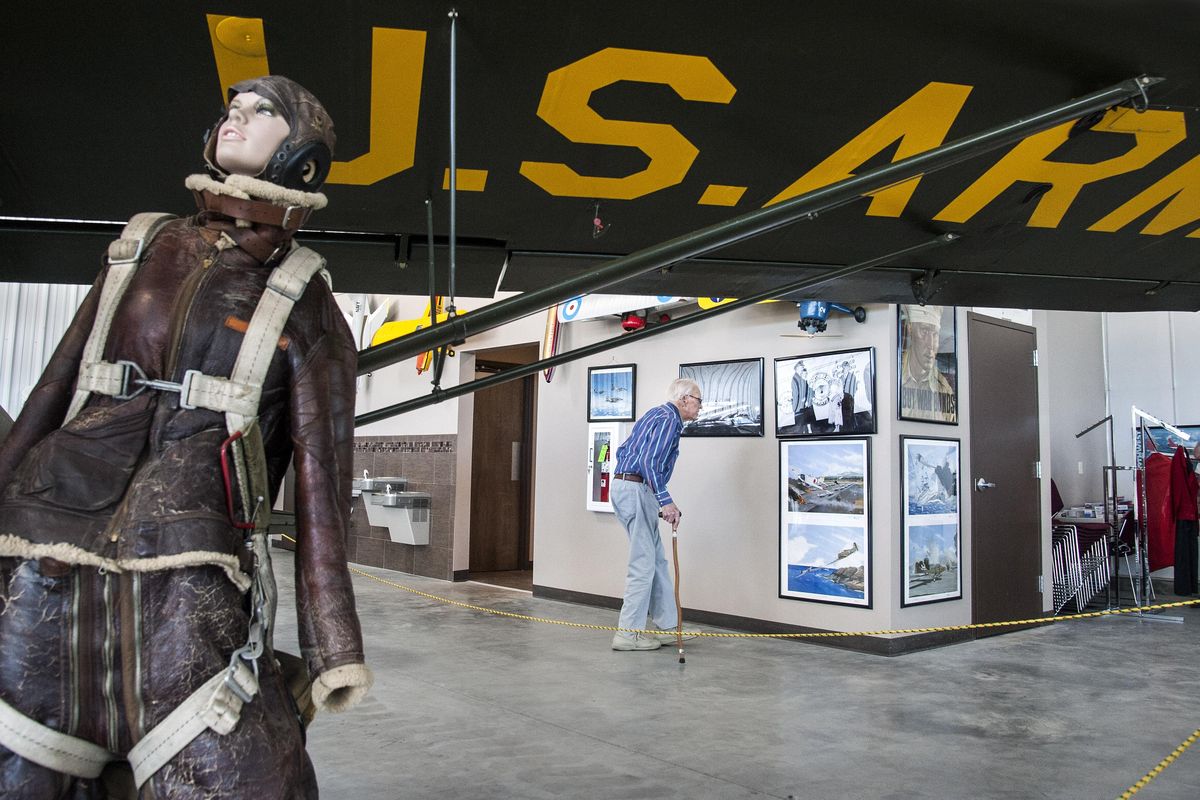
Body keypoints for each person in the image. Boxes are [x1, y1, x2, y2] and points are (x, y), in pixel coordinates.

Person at [0, 76, 370, 798]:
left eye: (264, 112)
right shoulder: (140, 248)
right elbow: (56, 386)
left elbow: (323, 481)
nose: (237, 117)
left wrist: (334, 648)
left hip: (187, 571)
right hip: (50, 538)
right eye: (233, 108)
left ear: (302, 156)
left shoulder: (306, 301)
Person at [609, 378, 700, 651]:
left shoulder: (656, 414)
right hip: (636, 488)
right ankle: (628, 633)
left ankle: (668, 626)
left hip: (633, 487)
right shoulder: (669, 419)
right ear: (683, 399)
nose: (700, 406)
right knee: (643, 564)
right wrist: (665, 501)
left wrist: (656, 496)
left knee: (656, 561)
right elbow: (649, 461)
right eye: (698, 400)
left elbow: (625, 451)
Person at [899, 304, 957, 423]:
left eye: (934, 334)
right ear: (911, 330)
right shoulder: (892, 375)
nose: (930, 344)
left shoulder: (943, 389)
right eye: (924, 331)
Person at [790, 363, 816, 434]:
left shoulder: (801, 378)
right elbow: (795, 395)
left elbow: (806, 392)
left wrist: (807, 400)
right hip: (799, 408)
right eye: (802, 367)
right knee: (800, 429)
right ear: (797, 367)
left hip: (803, 407)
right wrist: (795, 408)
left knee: (804, 427)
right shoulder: (795, 379)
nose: (803, 368)